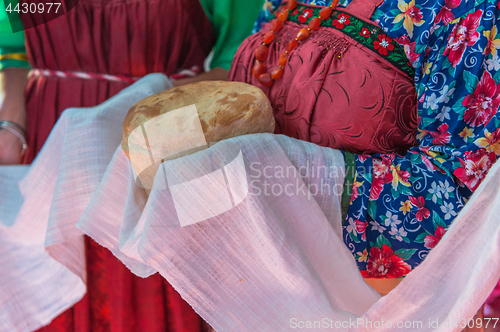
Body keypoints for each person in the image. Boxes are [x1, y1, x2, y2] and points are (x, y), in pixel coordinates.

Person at [0, 0, 263, 330]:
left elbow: (240, 58)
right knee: (51, 288)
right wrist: (10, 124)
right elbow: (11, 42)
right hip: (50, 141)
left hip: (159, 138)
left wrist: (136, 105)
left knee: (148, 292)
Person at [230, 0, 500, 279]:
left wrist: (273, 172)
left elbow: (462, 195)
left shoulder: (467, 9)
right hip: (246, 276)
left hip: (366, 303)